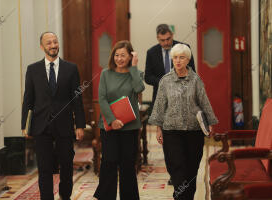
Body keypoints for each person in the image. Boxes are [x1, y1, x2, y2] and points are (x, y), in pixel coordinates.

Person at [148, 44, 218, 200]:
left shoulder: (196, 80)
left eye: (181, 57)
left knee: (191, 170)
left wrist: (210, 123)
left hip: (194, 131)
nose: (178, 61)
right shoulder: (165, 81)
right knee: (177, 168)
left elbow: (204, 102)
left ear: (188, 59)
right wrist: (158, 129)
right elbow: (159, 105)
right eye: (175, 57)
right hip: (171, 131)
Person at [21, 32, 86, 200]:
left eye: (55, 42)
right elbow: (28, 100)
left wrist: (80, 125)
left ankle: (65, 195)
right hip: (41, 125)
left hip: (64, 125)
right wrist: (25, 126)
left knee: (66, 164)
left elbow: (77, 99)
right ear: (42, 47)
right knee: (44, 167)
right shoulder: (32, 69)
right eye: (48, 43)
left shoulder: (71, 68)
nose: (53, 45)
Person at [145, 23, 196, 186]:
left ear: (172, 36)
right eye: (162, 41)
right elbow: (147, 77)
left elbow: (193, 72)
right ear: (157, 39)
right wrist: (164, 81)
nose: (166, 43)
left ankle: (185, 172)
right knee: (168, 140)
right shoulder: (152, 52)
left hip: (183, 99)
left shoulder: (184, 48)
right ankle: (174, 174)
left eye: (168, 39)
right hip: (162, 100)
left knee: (183, 137)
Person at [93, 40, 145, 200]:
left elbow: (139, 89)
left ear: (130, 56)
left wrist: (134, 67)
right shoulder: (105, 74)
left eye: (123, 55)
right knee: (109, 162)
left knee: (128, 164)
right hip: (109, 126)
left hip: (130, 126)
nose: (119, 58)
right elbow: (102, 99)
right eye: (116, 55)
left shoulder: (135, 73)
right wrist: (112, 120)